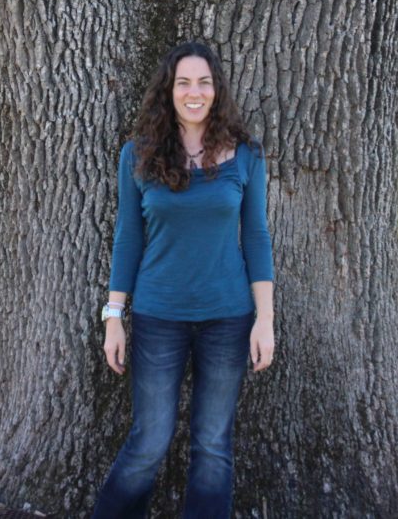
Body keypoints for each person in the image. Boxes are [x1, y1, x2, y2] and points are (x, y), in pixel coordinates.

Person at [92, 41, 274, 519]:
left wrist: (265, 319)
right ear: (169, 91)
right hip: (159, 317)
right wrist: (114, 316)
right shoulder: (139, 154)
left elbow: (256, 238)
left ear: (217, 90)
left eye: (204, 82)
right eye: (184, 83)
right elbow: (128, 239)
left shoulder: (246, 155)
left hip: (229, 319)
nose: (195, 92)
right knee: (149, 441)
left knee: (213, 445)